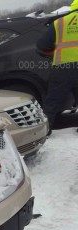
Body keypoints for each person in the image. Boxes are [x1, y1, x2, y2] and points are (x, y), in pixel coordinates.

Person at [37, 0, 78, 133]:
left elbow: (42, 45)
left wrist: (52, 51)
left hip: (63, 68)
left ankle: (44, 130)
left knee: (52, 101)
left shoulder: (59, 22)